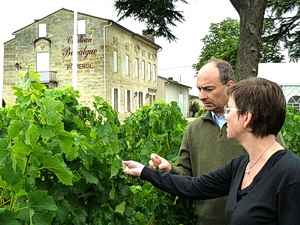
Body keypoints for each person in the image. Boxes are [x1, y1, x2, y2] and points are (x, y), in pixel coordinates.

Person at [123, 77, 300, 225]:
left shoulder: (291, 174)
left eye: (229, 109)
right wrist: (144, 172)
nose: (226, 115)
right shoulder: (243, 165)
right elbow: (195, 186)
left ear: (246, 118)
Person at [149, 59, 245, 225]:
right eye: (199, 89)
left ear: (229, 86)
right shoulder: (193, 129)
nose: (201, 96)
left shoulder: (253, 124)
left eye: (208, 89)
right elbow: (187, 176)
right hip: (205, 220)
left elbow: (275, 166)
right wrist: (170, 169)